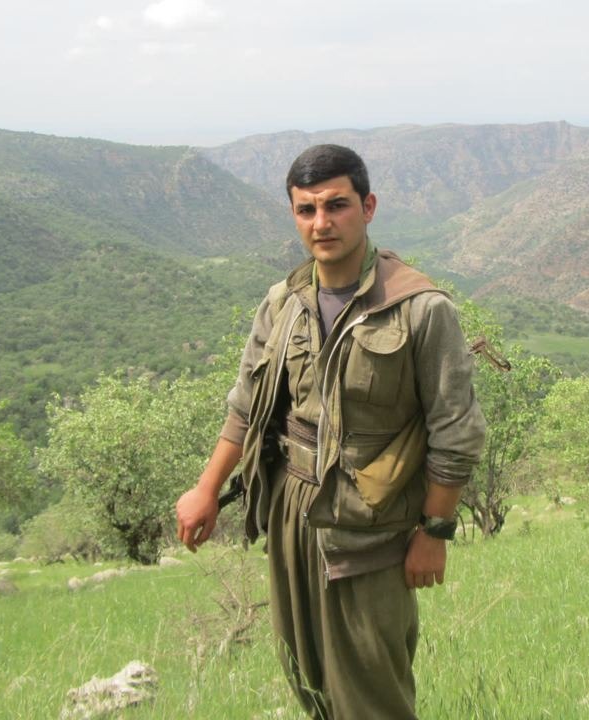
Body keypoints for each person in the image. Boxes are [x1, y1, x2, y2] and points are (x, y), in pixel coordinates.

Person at [175, 144, 486, 719]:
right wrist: (206, 489)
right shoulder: (283, 303)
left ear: (367, 207)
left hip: (372, 527)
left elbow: (456, 431)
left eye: (336, 205)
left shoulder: (420, 309)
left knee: (372, 695)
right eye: (306, 210)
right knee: (309, 682)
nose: (321, 223)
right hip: (292, 513)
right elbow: (246, 406)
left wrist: (435, 531)